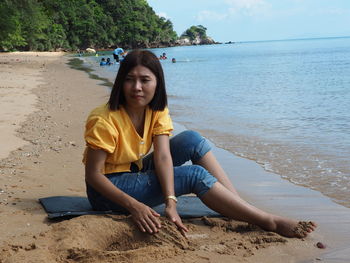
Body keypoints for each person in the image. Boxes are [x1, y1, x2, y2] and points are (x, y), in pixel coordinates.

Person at [83, 50, 316, 237]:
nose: (137, 88)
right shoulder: (104, 119)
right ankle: (270, 222)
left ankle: (237, 205)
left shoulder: (156, 109)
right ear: (120, 83)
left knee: (192, 139)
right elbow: (94, 176)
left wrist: (170, 201)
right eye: (130, 80)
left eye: (145, 80)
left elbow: (164, 156)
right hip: (107, 192)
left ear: (157, 83)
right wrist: (135, 207)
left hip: (135, 172)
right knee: (193, 175)